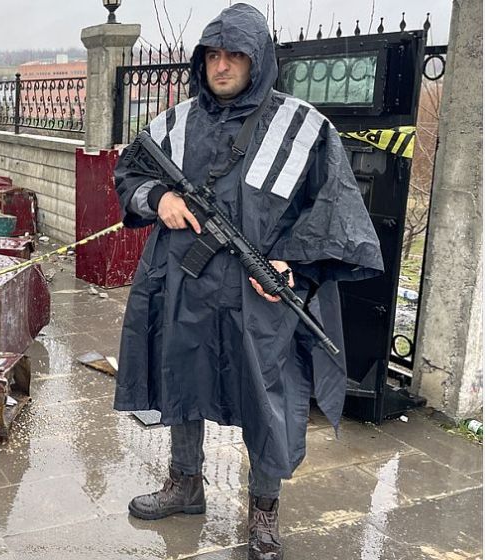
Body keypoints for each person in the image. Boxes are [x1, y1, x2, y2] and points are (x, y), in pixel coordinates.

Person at [113, 4, 384, 559]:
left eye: (235, 55)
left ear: (259, 61)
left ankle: (263, 512)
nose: (222, 66)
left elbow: (335, 211)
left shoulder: (304, 127)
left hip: (259, 295)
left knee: (267, 400)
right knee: (180, 378)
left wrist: (294, 265)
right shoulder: (174, 122)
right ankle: (185, 483)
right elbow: (129, 174)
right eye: (213, 54)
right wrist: (158, 198)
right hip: (182, 283)